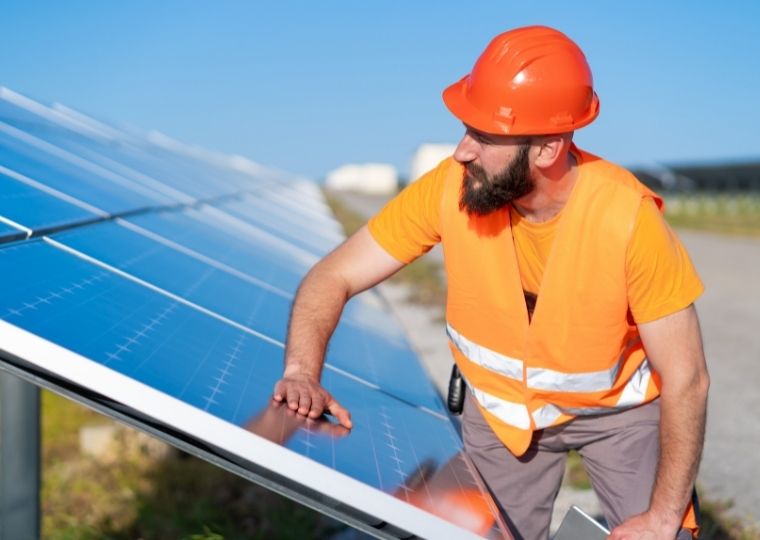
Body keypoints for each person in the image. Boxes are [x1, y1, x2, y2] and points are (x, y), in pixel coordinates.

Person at [273, 25, 709, 540]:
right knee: (441, 531)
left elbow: (687, 379)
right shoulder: (449, 189)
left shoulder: (627, 219)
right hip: (503, 416)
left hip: (618, 414)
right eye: (465, 129)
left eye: (483, 136)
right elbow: (335, 273)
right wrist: (302, 370)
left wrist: (661, 520)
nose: (461, 151)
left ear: (547, 148)